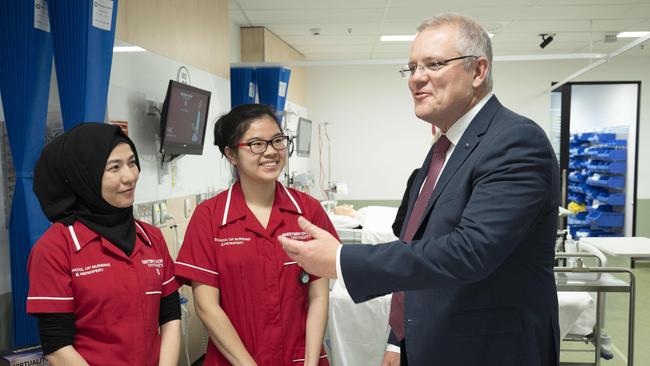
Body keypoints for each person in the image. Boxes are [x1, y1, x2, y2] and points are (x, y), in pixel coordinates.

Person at [279, 14, 560, 366]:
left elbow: (468, 252)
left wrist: (339, 260)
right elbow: (416, 247)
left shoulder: (516, 141)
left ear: (478, 71)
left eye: (435, 64)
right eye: (411, 67)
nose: (417, 78)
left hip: (490, 350)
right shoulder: (444, 148)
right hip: (429, 342)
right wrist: (398, 340)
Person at [174, 104, 335, 366]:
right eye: (256, 144)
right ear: (231, 154)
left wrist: (310, 361)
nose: (271, 152)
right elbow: (206, 306)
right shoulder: (210, 217)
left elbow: (318, 295)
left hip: (301, 358)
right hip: (234, 360)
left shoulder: (307, 211)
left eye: (278, 141)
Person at [27, 123, 182, 366]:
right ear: (83, 176)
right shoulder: (56, 248)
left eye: (132, 162)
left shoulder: (151, 237)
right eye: (114, 167)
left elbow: (170, 315)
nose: (130, 176)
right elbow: (57, 346)